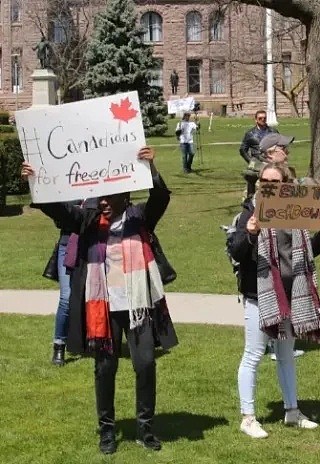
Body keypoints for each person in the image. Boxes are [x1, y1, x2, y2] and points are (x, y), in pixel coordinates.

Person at [21, 147, 177, 454]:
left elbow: (161, 198)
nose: (102, 202)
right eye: (99, 197)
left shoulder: (139, 217)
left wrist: (151, 166)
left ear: (125, 197)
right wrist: (36, 182)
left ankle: (146, 430)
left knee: (145, 365)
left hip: (137, 305)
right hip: (101, 308)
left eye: (109, 197)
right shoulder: (87, 221)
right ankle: (107, 432)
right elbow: (58, 210)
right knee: (105, 369)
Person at [229, 162, 320, 439]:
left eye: (276, 181)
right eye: (265, 181)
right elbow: (236, 251)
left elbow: (308, 252)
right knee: (252, 355)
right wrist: (250, 233)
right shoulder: (249, 212)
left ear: (287, 185)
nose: (270, 186)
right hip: (259, 297)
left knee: (286, 357)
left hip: (290, 298)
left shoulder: (293, 213)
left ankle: (292, 411)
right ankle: (248, 417)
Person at [45, 198, 97, 366]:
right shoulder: (66, 190)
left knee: (93, 293)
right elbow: (58, 219)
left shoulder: (100, 190)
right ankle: (59, 345)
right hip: (69, 244)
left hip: (94, 244)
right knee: (66, 297)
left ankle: (92, 339)